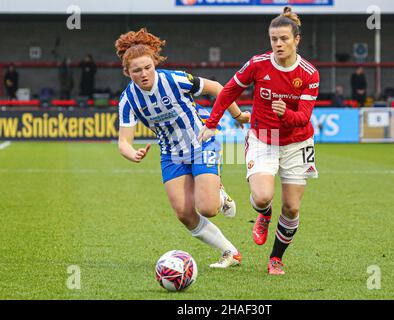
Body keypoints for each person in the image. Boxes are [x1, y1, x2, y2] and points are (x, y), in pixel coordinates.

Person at [114, 28, 250, 268]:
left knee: (208, 208)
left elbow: (218, 88)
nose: (144, 74)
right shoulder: (128, 99)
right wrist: (130, 153)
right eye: (137, 70)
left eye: (148, 67)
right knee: (184, 213)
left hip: (201, 141)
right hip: (170, 154)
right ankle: (229, 252)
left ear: (155, 63)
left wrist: (237, 115)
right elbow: (124, 141)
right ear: (127, 72)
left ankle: (219, 193)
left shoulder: (174, 80)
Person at [199, 7, 319, 275]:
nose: (278, 44)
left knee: (291, 206)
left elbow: (303, 118)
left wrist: (285, 113)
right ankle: (263, 214)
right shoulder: (257, 64)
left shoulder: (309, 74)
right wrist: (212, 123)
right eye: (274, 39)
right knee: (263, 196)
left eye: (284, 39)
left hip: (298, 142)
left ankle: (276, 258)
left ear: (296, 39)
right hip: (264, 137)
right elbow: (228, 90)